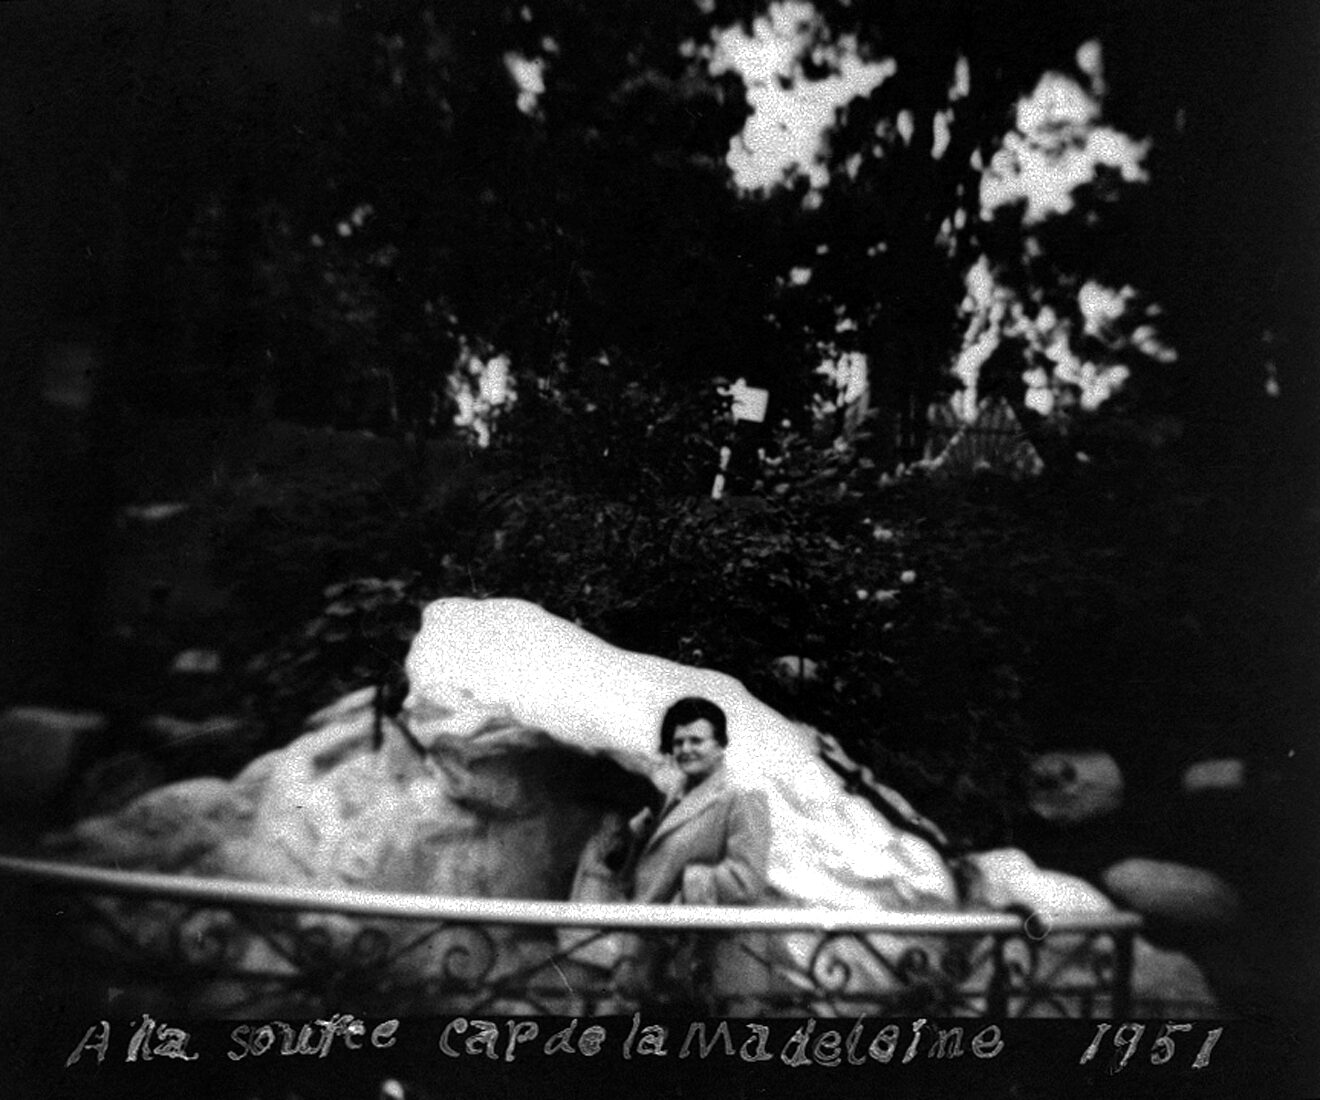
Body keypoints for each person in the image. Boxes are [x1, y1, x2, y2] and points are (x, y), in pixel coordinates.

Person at [626, 697, 771, 906]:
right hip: (646, 919)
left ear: (720, 744)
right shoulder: (675, 791)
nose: (685, 749)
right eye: (678, 742)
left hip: (684, 924)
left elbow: (746, 882)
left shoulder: (743, 796)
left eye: (696, 741)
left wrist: (683, 887)